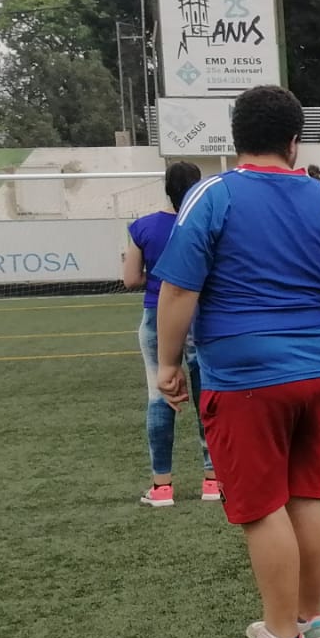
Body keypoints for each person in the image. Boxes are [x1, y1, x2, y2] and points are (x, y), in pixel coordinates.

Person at [152, 86, 320, 638]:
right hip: (312, 371)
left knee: (261, 506)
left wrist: (168, 363)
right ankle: (311, 617)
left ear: (235, 139)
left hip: (245, 376)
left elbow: (178, 287)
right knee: (305, 493)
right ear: (294, 140)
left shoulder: (214, 192)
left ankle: (282, 636)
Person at [124, 161, 213, 505]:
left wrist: (162, 280)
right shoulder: (205, 223)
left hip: (157, 315)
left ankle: (162, 486)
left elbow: (131, 278)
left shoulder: (143, 227)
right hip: (202, 313)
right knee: (209, 395)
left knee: (159, 396)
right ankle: (212, 479)